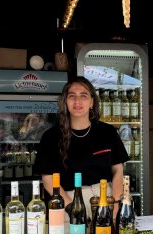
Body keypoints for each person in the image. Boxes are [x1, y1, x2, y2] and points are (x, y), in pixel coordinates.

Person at [35, 76, 129, 222]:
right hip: (68, 200)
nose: (77, 102)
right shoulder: (51, 137)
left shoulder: (107, 132)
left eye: (83, 96)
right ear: (65, 102)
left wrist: (116, 203)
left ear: (92, 102)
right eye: (72, 96)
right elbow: (48, 179)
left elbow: (118, 170)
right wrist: (71, 208)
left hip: (105, 199)